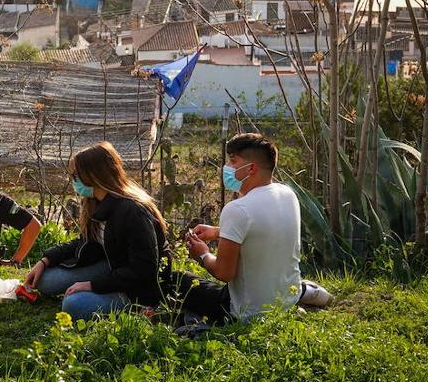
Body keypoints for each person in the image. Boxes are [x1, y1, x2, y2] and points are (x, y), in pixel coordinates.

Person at [173, 132, 319, 324]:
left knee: (177, 280)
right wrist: (218, 231)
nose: (227, 168)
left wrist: (202, 254)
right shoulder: (287, 194)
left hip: (246, 313)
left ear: (251, 168)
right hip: (286, 301)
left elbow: (224, 273)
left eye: (233, 161)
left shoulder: (238, 209)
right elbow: (264, 230)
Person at [21, 142, 169, 320]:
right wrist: (46, 260)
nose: (73, 180)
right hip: (112, 266)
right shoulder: (95, 202)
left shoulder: (132, 211)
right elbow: (85, 240)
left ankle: (135, 308)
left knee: (73, 305)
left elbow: (144, 270)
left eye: (76, 175)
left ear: (94, 176)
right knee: (45, 280)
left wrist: (92, 285)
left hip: (137, 286)